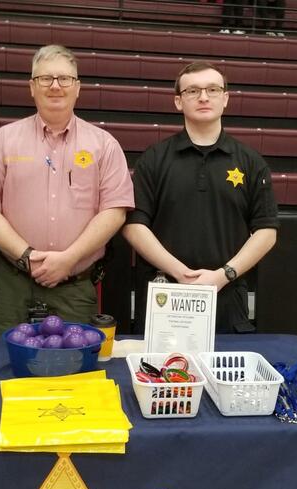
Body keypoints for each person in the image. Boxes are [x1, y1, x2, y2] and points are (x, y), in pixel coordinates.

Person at [0, 44, 134, 334]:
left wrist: (69, 258)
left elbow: (115, 211)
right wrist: (26, 256)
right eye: (45, 79)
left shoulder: (104, 145)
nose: (55, 86)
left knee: (75, 372)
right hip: (12, 284)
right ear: (32, 87)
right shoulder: (3, 141)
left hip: (74, 286)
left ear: (78, 87)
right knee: (1, 366)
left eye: (65, 79)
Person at [123, 62, 279, 333]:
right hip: (165, 299)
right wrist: (180, 274)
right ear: (178, 102)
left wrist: (223, 275)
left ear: (225, 98)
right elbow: (134, 226)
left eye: (212, 89)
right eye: (193, 90)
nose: (204, 97)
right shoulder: (154, 159)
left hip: (227, 299)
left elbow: (266, 231)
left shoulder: (251, 162)